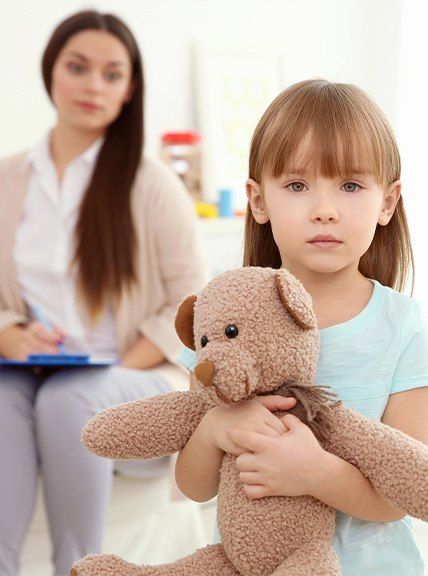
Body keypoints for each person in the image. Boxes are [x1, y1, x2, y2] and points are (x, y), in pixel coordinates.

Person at [175, 79, 428, 575]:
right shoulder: (224, 320)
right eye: (296, 185)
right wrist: (215, 428)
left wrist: (314, 472)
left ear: (387, 202)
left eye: (350, 186)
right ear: (258, 201)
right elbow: (192, 486)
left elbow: (405, 490)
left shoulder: (403, 327)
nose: (324, 210)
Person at [0, 10, 207, 576]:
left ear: (129, 89)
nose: (93, 85)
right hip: (31, 372)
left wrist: (113, 366)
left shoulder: (152, 184)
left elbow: (193, 302)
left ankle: (80, 567)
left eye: (111, 74)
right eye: (78, 68)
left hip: (135, 376)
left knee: (70, 397)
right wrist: (11, 334)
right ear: (51, 71)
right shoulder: (8, 180)